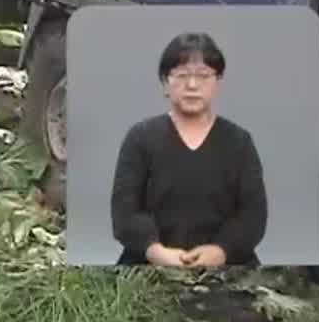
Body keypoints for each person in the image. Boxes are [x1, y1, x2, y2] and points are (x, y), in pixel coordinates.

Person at [112, 33, 267, 268]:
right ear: (165, 82)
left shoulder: (239, 142)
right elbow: (124, 211)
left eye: (203, 76)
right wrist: (155, 251)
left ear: (217, 82)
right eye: (182, 76)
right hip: (148, 264)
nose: (192, 85)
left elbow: (253, 215)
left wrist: (221, 251)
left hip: (227, 267)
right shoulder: (140, 138)